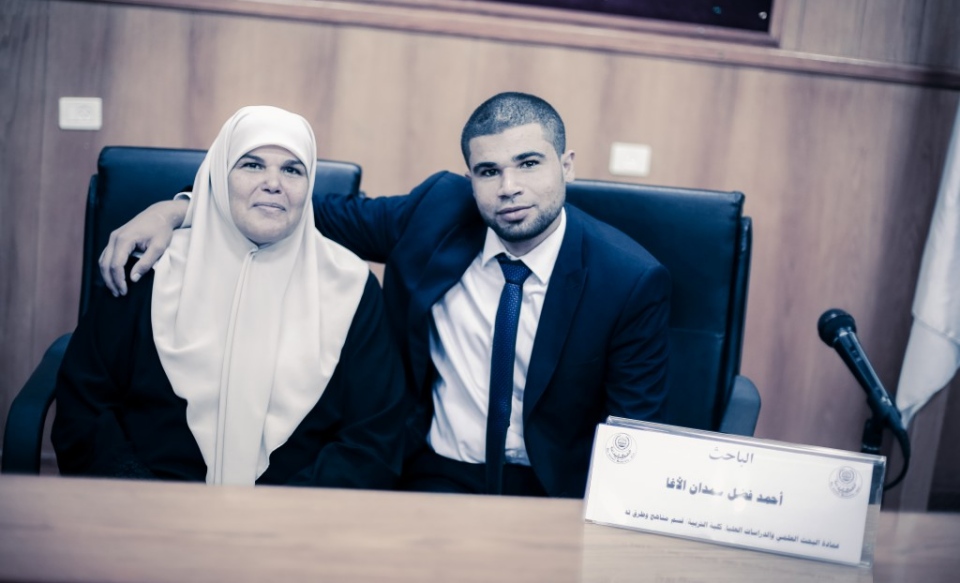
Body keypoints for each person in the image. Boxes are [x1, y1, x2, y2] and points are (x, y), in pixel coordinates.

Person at [98, 92, 671, 498]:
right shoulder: (437, 213)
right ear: (468, 178)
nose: (509, 187)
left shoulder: (629, 280)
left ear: (567, 166)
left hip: (553, 487)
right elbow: (286, 207)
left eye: (529, 164)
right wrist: (178, 208)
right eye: (488, 171)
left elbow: (634, 434)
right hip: (430, 472)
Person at [53, 106, 410, 488]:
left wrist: (288, 513)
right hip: (148, 503)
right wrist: (142, 501)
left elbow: (373, 437)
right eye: (252, 165)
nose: (273, 183)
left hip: (295, 512)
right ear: (218, 177)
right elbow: (86, 406)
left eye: (293, 170)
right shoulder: (149, 267)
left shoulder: (350, 285)